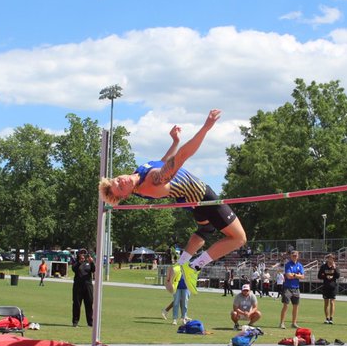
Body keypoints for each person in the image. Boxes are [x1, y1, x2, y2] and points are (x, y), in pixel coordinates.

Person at [99, 111, 246, 294]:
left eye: (117, 180)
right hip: (203, 197)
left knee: (205, 230)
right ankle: (194, 267)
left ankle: (180, 265)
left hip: (192, 200)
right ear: (126, 196)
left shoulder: (139, 173)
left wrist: (175, 142)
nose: (122, 182)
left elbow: (162, 163)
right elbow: (181, 158)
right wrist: (206, 127)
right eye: (120, 187)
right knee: (239, 238)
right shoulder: (152, 182)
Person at [280, 249, 304, 331]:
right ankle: (282, 323)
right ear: (291, 256)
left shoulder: (300, 265)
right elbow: (288, 276)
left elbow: (303, 276)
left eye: (296, 255)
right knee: (286, 305)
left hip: (296, 288)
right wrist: (297, 275)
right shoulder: (288, 265)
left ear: (298, 256)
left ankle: (294, 323)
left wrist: (294, 275)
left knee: (296, 306)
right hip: (288, 287)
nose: (294, 257)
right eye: (293, 255)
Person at [161, 260, 190, 326]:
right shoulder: (176, 267)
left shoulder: (188, 267)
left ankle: (183, 318)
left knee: (184, 303)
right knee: (176, 302)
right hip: (177, 287)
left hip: (186, 287)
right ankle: (175, 319)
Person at [71, 248, 95, 327]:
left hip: (88, 286)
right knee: (77, 304)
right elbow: (74, 269)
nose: (82, 255)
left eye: (84, 253)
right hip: (78, 286)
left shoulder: (89, 262)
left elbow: (93, 270)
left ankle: (90, 323)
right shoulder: (76, 262)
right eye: (81, 253)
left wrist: (92, 262)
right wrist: (79, 262)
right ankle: (75, 322)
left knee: (89, 304)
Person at [317, 253, 340, 324]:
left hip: (333, 287)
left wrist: (335, 268)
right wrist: (325, 276)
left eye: (332, 258)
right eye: (329, 258)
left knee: (332, 302)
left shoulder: (335, 267)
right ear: (327, 259)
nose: (330, 260)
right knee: (326, 302)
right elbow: (319, 276)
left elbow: (338, 276)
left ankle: (331, 318)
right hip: (326, 286)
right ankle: (327, 318)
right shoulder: (323, 267)